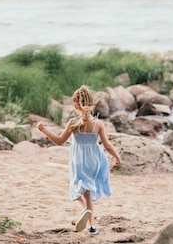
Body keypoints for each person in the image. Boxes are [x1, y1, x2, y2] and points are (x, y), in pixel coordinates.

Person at [37, 85, 121, 235]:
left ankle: (84, 211)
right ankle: (91, 226)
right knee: (87, 192)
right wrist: (116, 156)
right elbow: (107, 145)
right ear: (92, 104)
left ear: (75, 105)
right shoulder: (98, 124)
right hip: (95, 159)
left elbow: (59, 141)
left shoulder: (73, 122)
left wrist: (44, 130)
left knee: (76, 193)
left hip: (79, 160)